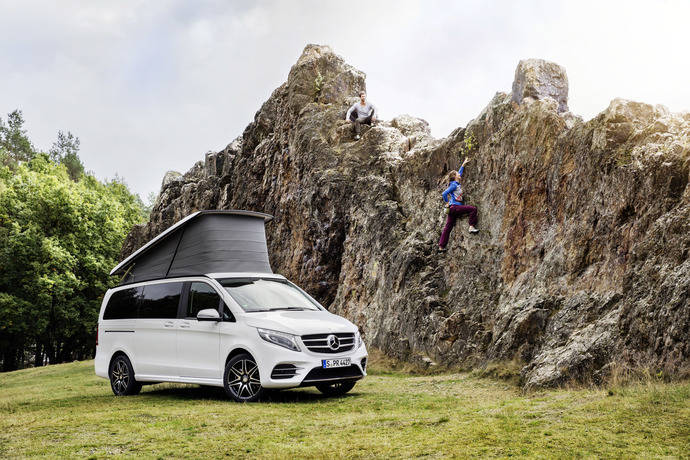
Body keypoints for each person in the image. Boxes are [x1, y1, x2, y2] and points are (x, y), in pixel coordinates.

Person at [438, 158, 479, 251]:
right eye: (457, 173)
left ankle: (441, 246)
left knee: (448, 227)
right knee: (473, 209)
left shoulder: (455, 183)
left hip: (453, 210)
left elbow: (460, 172)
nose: (459, 174)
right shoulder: (454, 185)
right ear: (454, 176)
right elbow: (444, 193)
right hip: (455, 207)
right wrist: (447, 202)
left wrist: (463, 165)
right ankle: (471, 226)